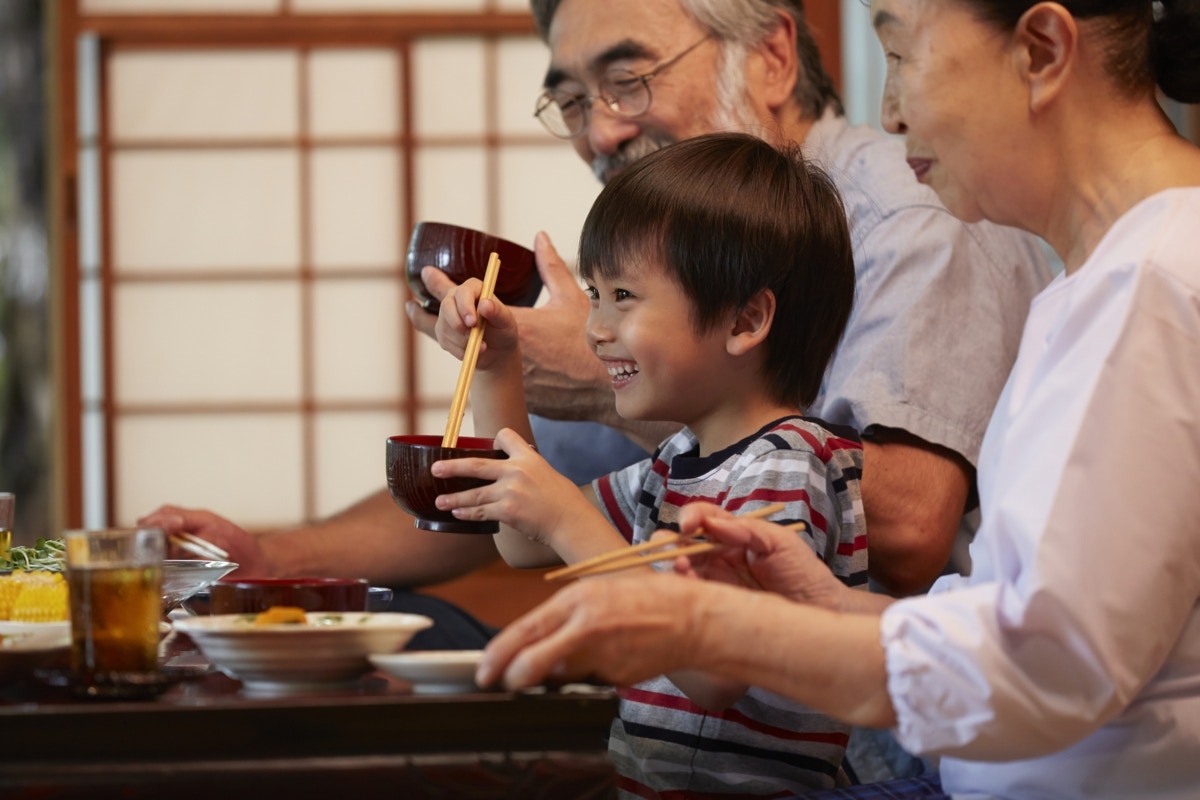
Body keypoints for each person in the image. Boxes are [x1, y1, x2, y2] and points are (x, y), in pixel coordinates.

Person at [474, 0, 1200, 797]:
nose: (889, 115)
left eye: (901, 56)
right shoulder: (1106, 279)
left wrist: (711, 627)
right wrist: (823, 602)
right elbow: (1018, 615)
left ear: (1042, 48)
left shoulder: (1156, 281)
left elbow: (1051, 667)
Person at [141, 0, 1050, 635]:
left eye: (627, 79)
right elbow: (515, 499)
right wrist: (266, 554)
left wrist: (605, 383)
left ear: (774, 56)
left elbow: (910, 531)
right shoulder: (669, 261)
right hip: (674, 704)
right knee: (404, 629)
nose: (601, 132)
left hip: (872, 735)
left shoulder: (909, 212)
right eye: (574, 100)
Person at [433, 131, 868, 796]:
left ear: (745, 320)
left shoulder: (788, 463)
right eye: (594, 293)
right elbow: (521, 542)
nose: (595, 328)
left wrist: (568, 517)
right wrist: (497, 367)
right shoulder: (677, 462)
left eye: (623, 296)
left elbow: (717, 672)